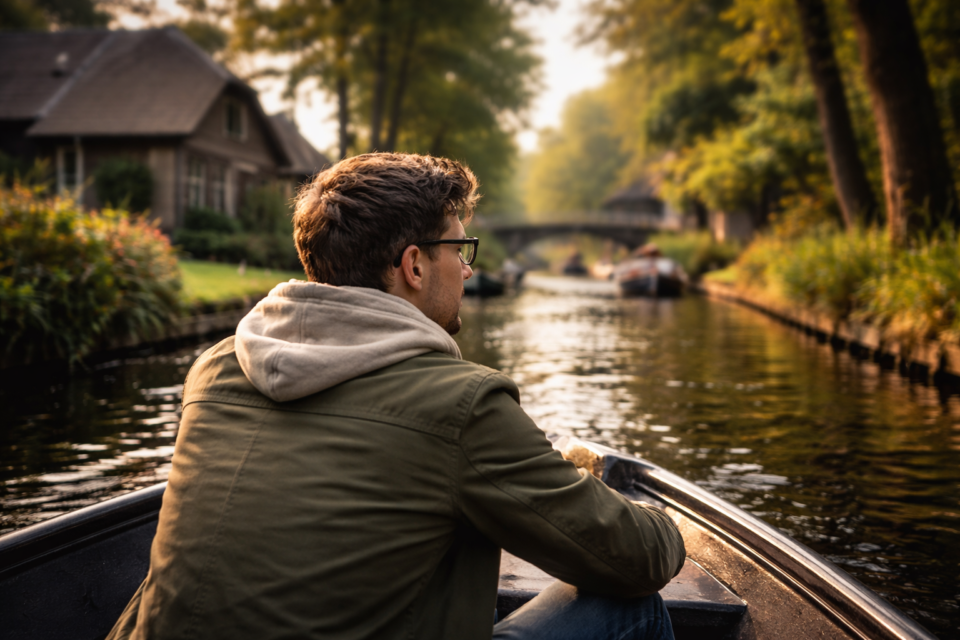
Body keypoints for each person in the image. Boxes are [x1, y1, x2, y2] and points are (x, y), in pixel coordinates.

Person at [107, 153, 686, 640]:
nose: (465, 270)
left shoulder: (213, 371)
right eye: (460, 250)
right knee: (631, 606)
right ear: (413, 264)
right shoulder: (463, 404)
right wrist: (662, 522)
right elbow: (637, 558)